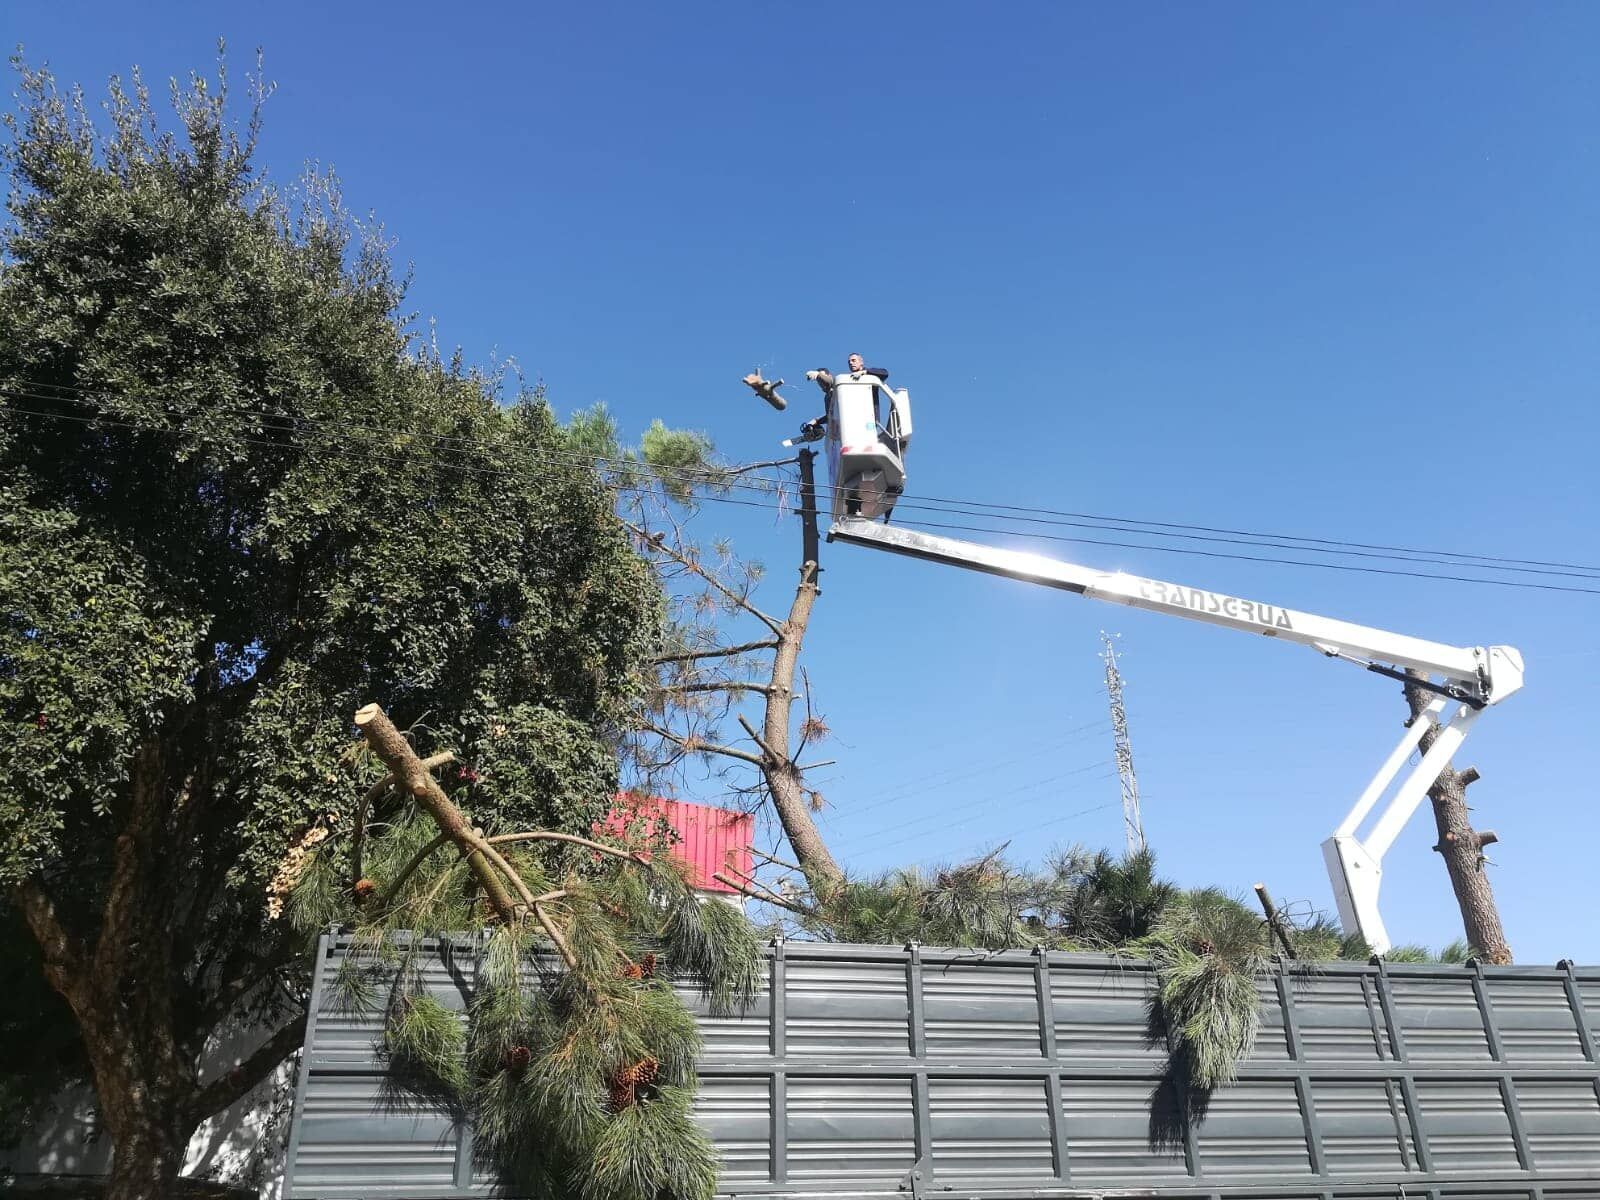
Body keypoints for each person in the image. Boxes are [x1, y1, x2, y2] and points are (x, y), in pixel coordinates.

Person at [801, 352, 889, 437]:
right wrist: (816, 421)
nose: (851, 363)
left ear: (861, 361)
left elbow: (884, 373)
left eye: (853, 360)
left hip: (869, 422)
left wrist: (864, 372)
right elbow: (833, 414)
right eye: (849, 362)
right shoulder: (845, 384)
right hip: (852, 424)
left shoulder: (868, 375)